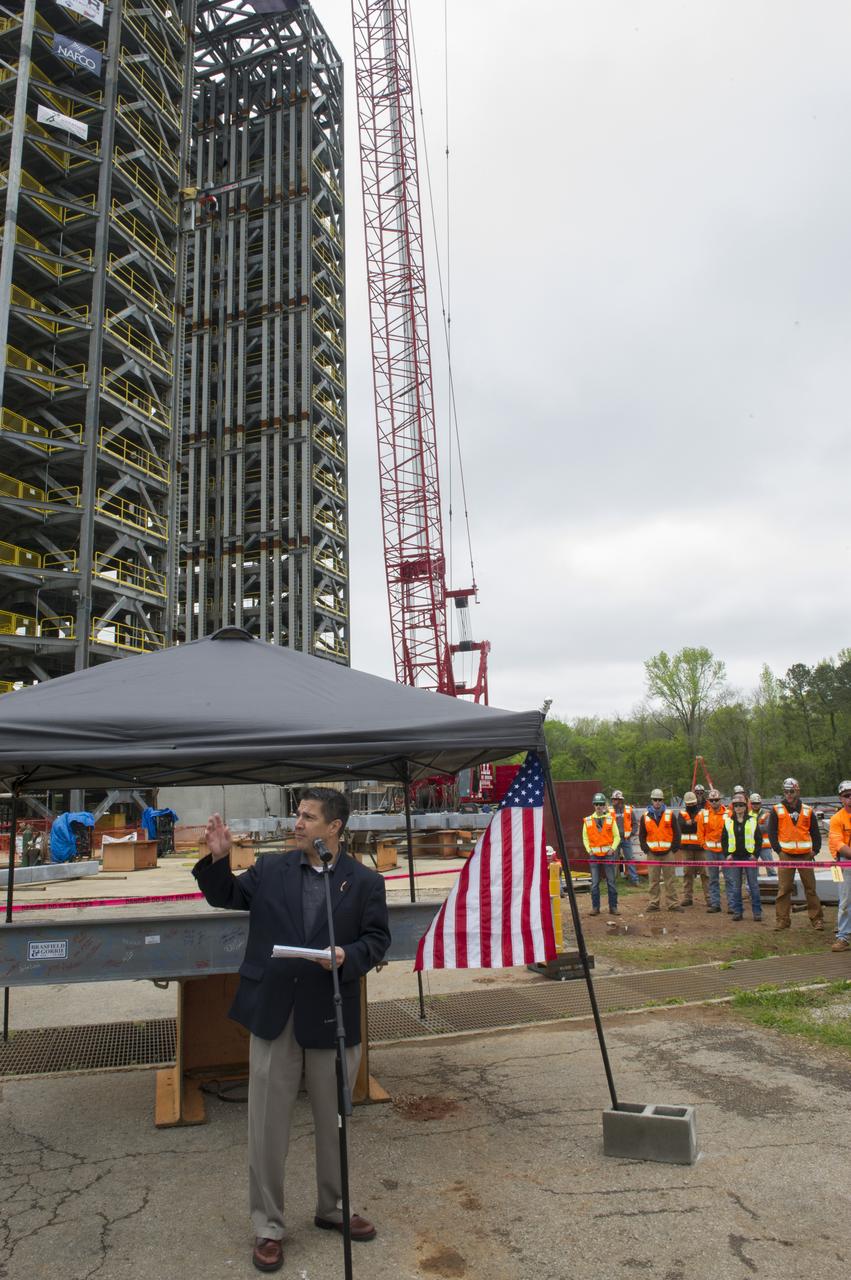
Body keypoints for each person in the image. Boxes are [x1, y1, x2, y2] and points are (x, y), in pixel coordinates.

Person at [193, 788, 391, 1274]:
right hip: (274, 1014)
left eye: (307, 817)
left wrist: (349, 957)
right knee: (266, 1126)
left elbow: (377, 940)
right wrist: (218, 860)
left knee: (335, 1122)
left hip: (331, 1013)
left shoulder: (363, 882)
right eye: (297, 814)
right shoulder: (270, 869)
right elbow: (226, 896)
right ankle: (268, 1226)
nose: (297, 823)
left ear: (334, 828)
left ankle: (334, 1208)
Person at [768, 777, 824, 932]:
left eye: (791, 791)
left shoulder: (807, 810)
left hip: (805, 855)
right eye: (786, 791)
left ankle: (817, 919)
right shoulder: (776, 810)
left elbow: (815, 832)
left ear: (797, 791)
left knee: (810, 889)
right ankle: (782, 920)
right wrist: (778, 850)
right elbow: (772, 832)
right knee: (784, 889)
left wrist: (816, 850)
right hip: (786, 854)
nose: (788, 794)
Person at [639, 788, 682, 912]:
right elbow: (642, 835)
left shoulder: (670, 815)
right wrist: (646, 849)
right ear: (652, 800)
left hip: (668, 853)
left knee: (670, 880)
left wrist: (673, 849)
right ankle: (654, 903)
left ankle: (672, 904)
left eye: (659, 800)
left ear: (663, 800)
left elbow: (677, 833)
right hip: (652, 854)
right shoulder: (645, 817)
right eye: (655, 800)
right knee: (653, 880)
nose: (657, 802)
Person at [721, 796, 762, 921]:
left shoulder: (752, 820)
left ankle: (757, 912)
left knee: (753, 885)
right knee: (736, 886)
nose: (739, 808)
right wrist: (727, 854)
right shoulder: (728, 821)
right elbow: (724, 839)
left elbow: (758, 839)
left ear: (745, 807)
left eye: (741, 805)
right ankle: (737, 911)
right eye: (736, 805)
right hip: (734, 857)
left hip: (749, 857)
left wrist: (755, 854)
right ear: (733, 807)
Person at [582, 793, 621, 916]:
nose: (599, 806)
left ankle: (613, 907)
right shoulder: (587, 820)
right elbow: (585, 838)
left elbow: (617, 837)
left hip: (608, 855)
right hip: (594, 856)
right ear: (594, 805)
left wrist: (612, 848)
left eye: (601, 804)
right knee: (594, 883)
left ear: (604, 805)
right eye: (597, 804)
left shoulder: (610, 819)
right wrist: (589, 850)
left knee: (611, 882)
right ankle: (595, 908)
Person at [828, 781, 851, 953]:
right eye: (846, 795)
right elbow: (838, 844)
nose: (850, 798)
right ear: (840, 799)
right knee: (844, 901)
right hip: (841, 862)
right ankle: (843, 936)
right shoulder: (837, 819)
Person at [699, 789, 727, 913]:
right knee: (713, 878)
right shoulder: (703, 815)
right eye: (712, 800)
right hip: (710, 850)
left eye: (716, 800)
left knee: (730, 878)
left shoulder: (728, 814)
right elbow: (700, 832)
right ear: (708, 801)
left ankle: (732, 905)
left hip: (724, 851)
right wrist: (704, 845)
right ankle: (715, 904)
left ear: (720, 800)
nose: (714, 802)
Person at [678, 791, 704, 907]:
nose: (690, 806)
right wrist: (693, 824)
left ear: (696, 802)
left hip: (701, 847)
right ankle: (687, 897)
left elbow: (702, 827)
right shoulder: (682, 813)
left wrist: (690, 824)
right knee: (687, 873)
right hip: (686, 848)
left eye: (692, 803)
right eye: (688, 804)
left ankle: (709, 898)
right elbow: (681, 828)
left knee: (705, 873)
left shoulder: (702, 812)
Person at [610, 789, 638, 885]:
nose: (613, 801)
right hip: (614, 840)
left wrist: (632, 833)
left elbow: (635, 824)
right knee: (613, 860)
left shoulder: (628, 810)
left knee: (630, 859)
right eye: (612, 799)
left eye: (615, 799)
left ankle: (634, 880)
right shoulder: (609, 811)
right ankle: (612, 881)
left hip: (626, 839)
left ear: (620, 800)